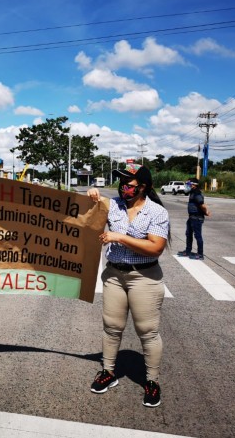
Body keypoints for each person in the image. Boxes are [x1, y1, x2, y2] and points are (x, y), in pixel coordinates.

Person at [86, 163, 169, 408]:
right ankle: (108, 372)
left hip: (144, 277)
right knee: (111, 326)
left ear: (144, 188)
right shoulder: (114, 205)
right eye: (122, 183)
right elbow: (90, 207)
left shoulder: (156, 212)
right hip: (114, 274)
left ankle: (152, 381)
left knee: (147, 331)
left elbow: (156, 247)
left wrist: (120, 237)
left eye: (130, 185)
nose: (124, 188)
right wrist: (91, 193)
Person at [177, 177, 210, 260]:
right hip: (191, 217)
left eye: (188, 184)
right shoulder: (192, 192)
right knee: (188, 234)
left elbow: (202, 204)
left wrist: (206, 211)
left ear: (194, 185)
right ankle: (188, 251)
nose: (187, 186)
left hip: (197, 218)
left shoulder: (197, 193)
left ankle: (200, 254)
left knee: (198, 236)